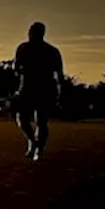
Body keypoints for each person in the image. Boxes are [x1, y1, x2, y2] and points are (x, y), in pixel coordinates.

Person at [13, 22, 64, 161]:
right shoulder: (23, 48)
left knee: (41, 121)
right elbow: (16, 68)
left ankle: (39, 150)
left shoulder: (51, 51)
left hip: (45, 88)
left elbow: (59, 72)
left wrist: (61, 90)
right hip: (27, 88)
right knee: (22, 119)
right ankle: (32, 140)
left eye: (33, 31)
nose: (29, 34)